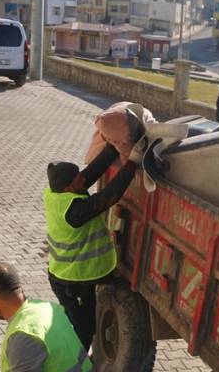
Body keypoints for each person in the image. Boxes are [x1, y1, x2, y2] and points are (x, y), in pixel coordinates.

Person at [44, 112, 145, 350]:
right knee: (83, 329)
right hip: (72, 279)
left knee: (77, 321)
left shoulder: (57, 193)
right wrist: (132, 163)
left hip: (69, 276)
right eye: (78, 180)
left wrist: (112, 147)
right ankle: (73, 366)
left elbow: (91, 172)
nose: (83, 181)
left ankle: (67, 351)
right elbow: (109, 196)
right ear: (69, 186)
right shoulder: (74, 210)